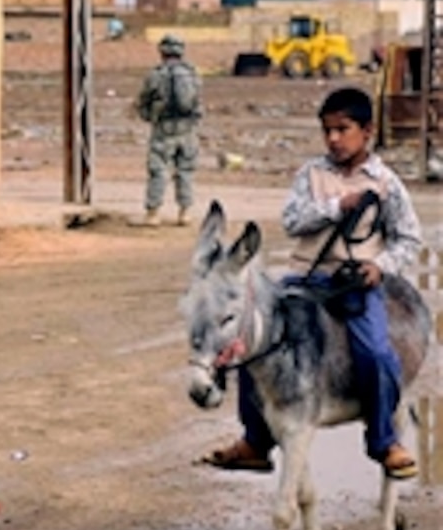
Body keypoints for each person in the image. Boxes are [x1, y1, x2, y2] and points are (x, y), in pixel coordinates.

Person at [203, 86, 423, 480]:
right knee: (251, 340)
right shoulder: (310, 174)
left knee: (376, 353)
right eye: (327, 131)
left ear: (367, 131)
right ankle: (255, 441)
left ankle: (384, 440)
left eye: (343, 129)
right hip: (305, 280)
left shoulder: (386, 183)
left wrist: (380, 266)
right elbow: (292, 221)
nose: (334, 139)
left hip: (354, 283)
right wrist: (338, 206)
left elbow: (409, 239)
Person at [130, 33, 203, 228]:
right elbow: (197, 101)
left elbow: (143, 101)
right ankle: (185, 212)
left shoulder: (155, 75)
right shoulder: (192, 73)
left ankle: (153, 214)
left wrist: (149, 117)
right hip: (187, 131)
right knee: (185, 171)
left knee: (158, 171)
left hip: (163, 131)